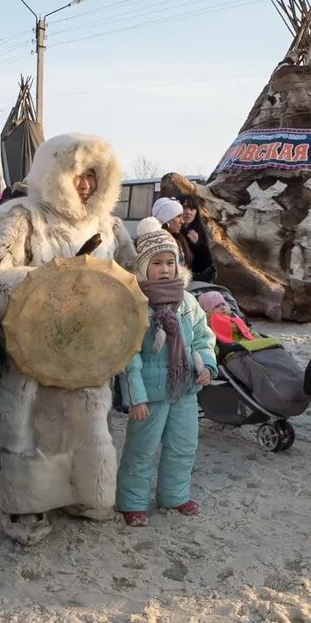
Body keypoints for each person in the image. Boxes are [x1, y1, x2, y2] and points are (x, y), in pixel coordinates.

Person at [0, 133, 137, 545]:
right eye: (76, 174)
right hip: (34, 346)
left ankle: (84, 493)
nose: (85, 184)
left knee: (87, 420)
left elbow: (131, 275)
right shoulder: (22, 216)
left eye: (92, 175)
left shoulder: (108, 224)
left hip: (87, 350)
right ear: (54, 173)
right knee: (27, 424)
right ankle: (25, 505)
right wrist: (54, 283)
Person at [117, 217, 217, 527]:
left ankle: (174, 494)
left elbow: (203, 335)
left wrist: (206, 364)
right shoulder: (137, 304)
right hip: (150, 393)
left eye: (170, 262)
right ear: (143, 267)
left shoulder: (187, 300)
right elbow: (128, 354)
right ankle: (132, 500)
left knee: (183, 445)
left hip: (184, 388)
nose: (164, 269)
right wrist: (136, 397)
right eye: (157, 263)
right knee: (141, 450)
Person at [176, 193, 216, 282]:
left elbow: (204, 265)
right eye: (184, 208)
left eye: (192, 208)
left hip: (197, 280)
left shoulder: (201, 230)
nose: (188, 212)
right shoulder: (172, 231)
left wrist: (198, 245)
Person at [152, 197, 192, 268]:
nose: (182, 221)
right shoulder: (156, 244)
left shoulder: (179, 239)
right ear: (165, 219)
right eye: (178, 216)